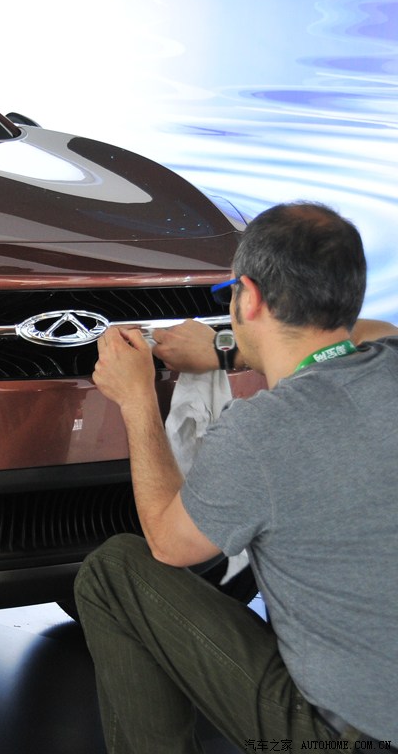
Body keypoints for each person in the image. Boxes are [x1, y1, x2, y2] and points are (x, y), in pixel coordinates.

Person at [75, 201, 398, 752]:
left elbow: (169, 543)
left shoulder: (262, 431)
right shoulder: (389, 361)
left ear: (248, 296)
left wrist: (136, 399)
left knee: (113, 571)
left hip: (346, 740)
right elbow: (373, 331)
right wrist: (228, 350)